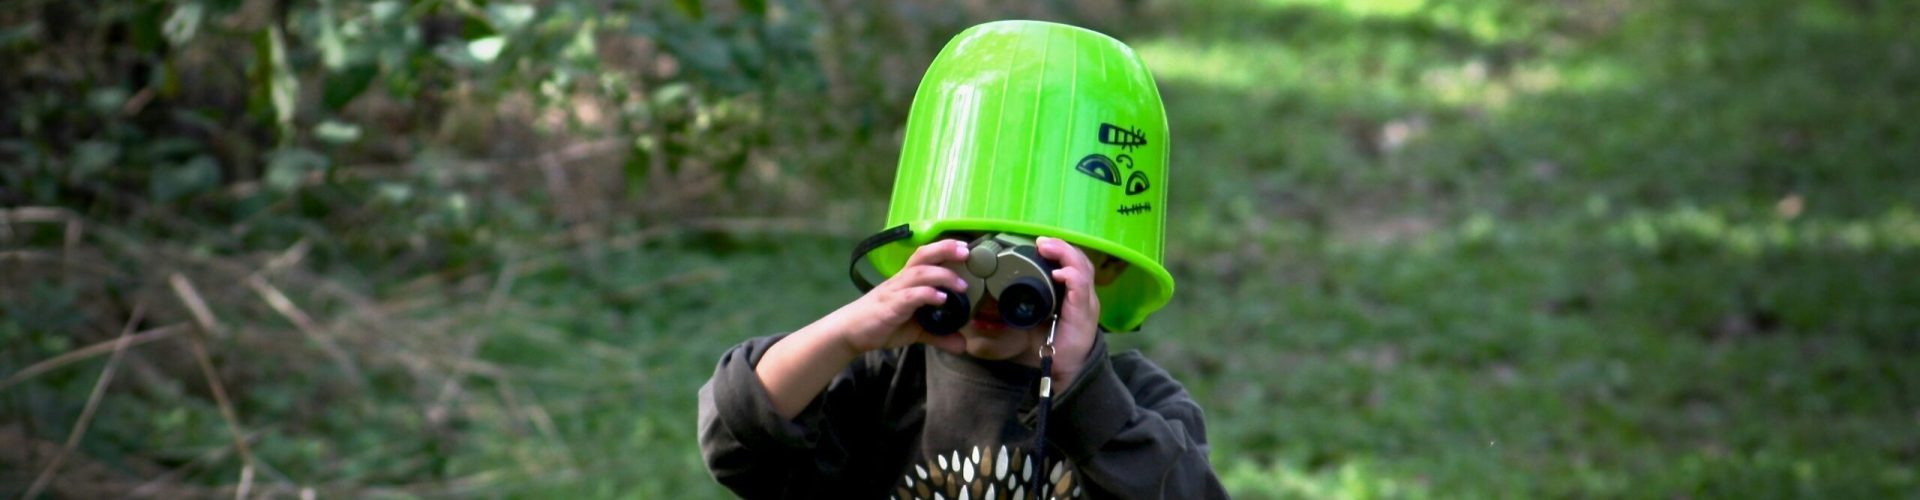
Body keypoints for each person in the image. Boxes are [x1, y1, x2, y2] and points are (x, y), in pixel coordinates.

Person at [698, 20, 1227, 499]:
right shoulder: (882, 383)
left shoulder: (1138, 402)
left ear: (1106, 266)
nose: (990, 277)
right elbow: (733, 443)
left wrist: (1081, 391)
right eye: (965, 241)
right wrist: (847, 334)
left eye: (1035, 253)